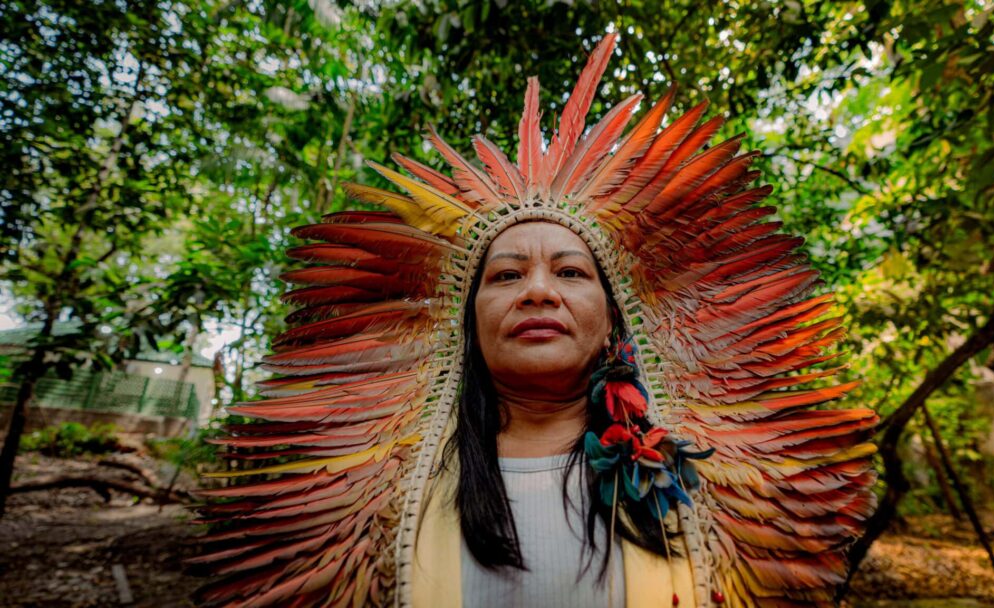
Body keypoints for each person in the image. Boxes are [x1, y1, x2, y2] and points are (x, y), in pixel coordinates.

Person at [194, 34, 878, 608]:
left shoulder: (704, 485)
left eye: (571, 272)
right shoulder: (383, 504)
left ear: (613, 321)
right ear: (470, 323)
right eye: (507, 275)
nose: (538, 292)